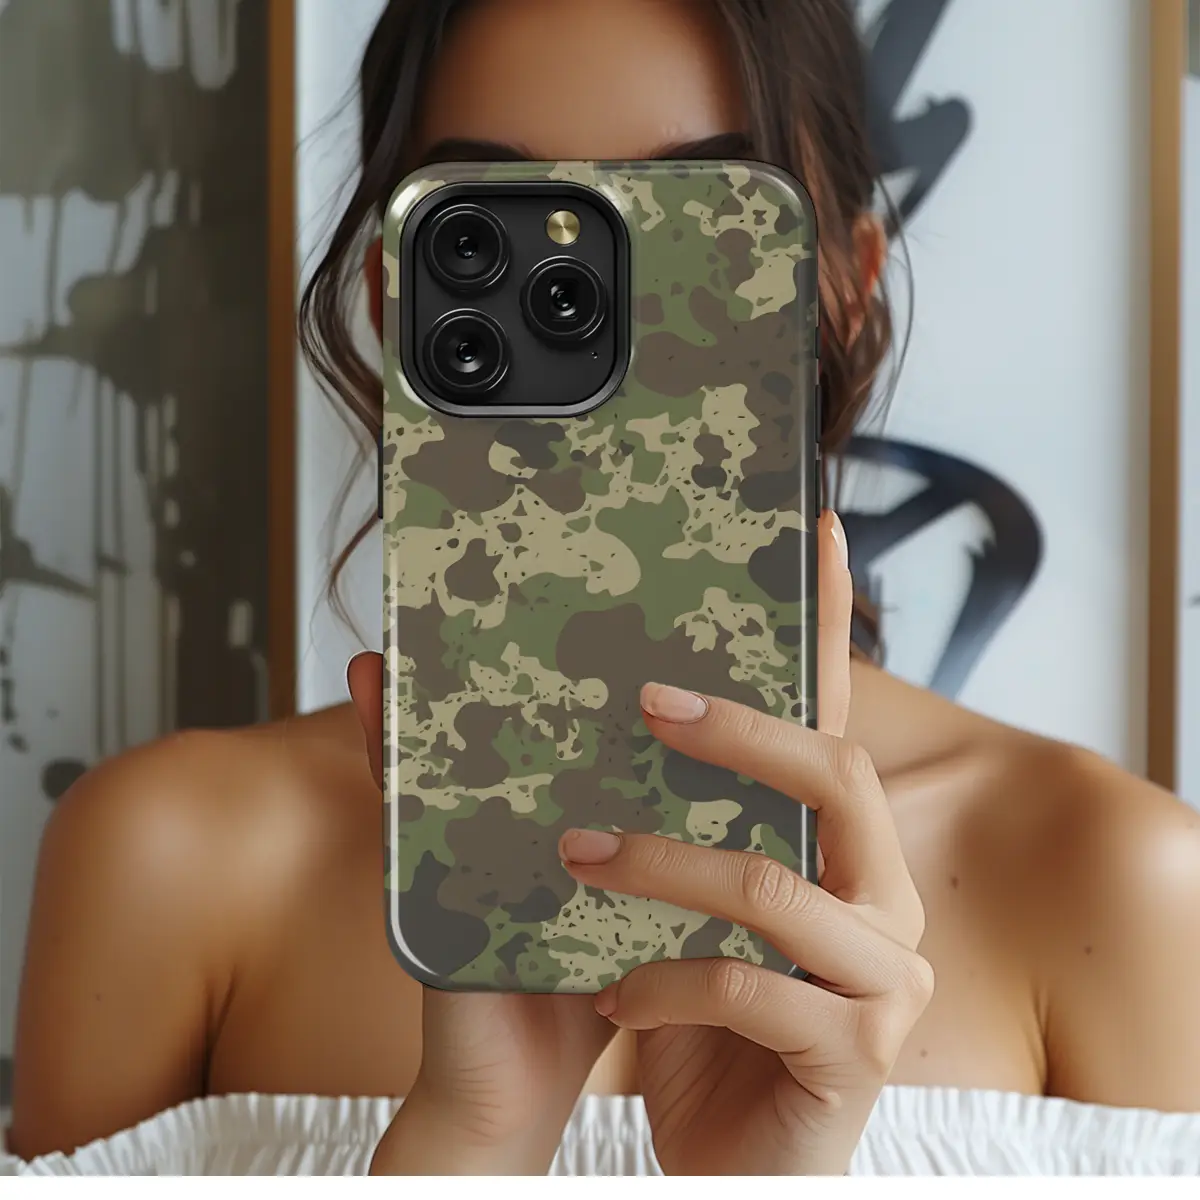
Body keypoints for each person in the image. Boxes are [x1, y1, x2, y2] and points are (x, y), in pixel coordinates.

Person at [7, 0, 1200, 1177]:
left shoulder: (1115, 882)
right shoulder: (169, 862)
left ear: (846, 286)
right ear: (391, 294)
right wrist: (473, 1141)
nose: (607, 307)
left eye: (703, 223)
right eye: (492, 228)